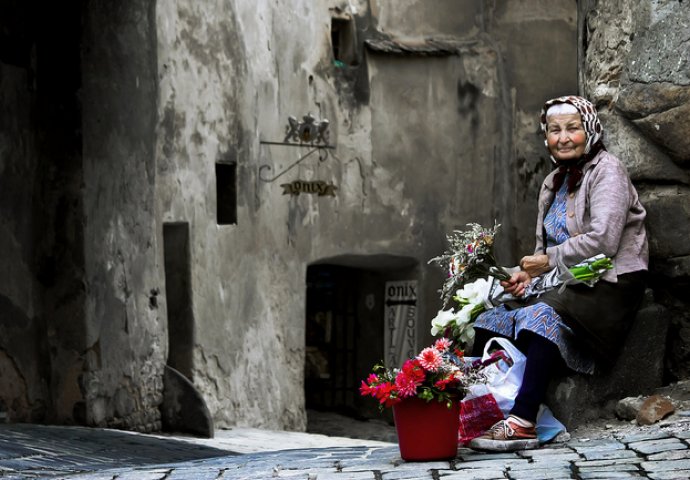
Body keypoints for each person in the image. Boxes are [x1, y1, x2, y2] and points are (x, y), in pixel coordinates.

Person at [467, 95, 649, 452]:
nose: (563, 138)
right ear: (546, 136)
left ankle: (522, 422)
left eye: (573, 128)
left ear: (590, 130)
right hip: (568, 281)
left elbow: (605, 241)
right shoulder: (553, 182)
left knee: (539, 314)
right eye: (554, 130)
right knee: (490, 318)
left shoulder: (607, 171)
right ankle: (480, 412)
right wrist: (525, 276)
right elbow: (541, 249)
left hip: (611, 283)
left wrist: (545, 263)